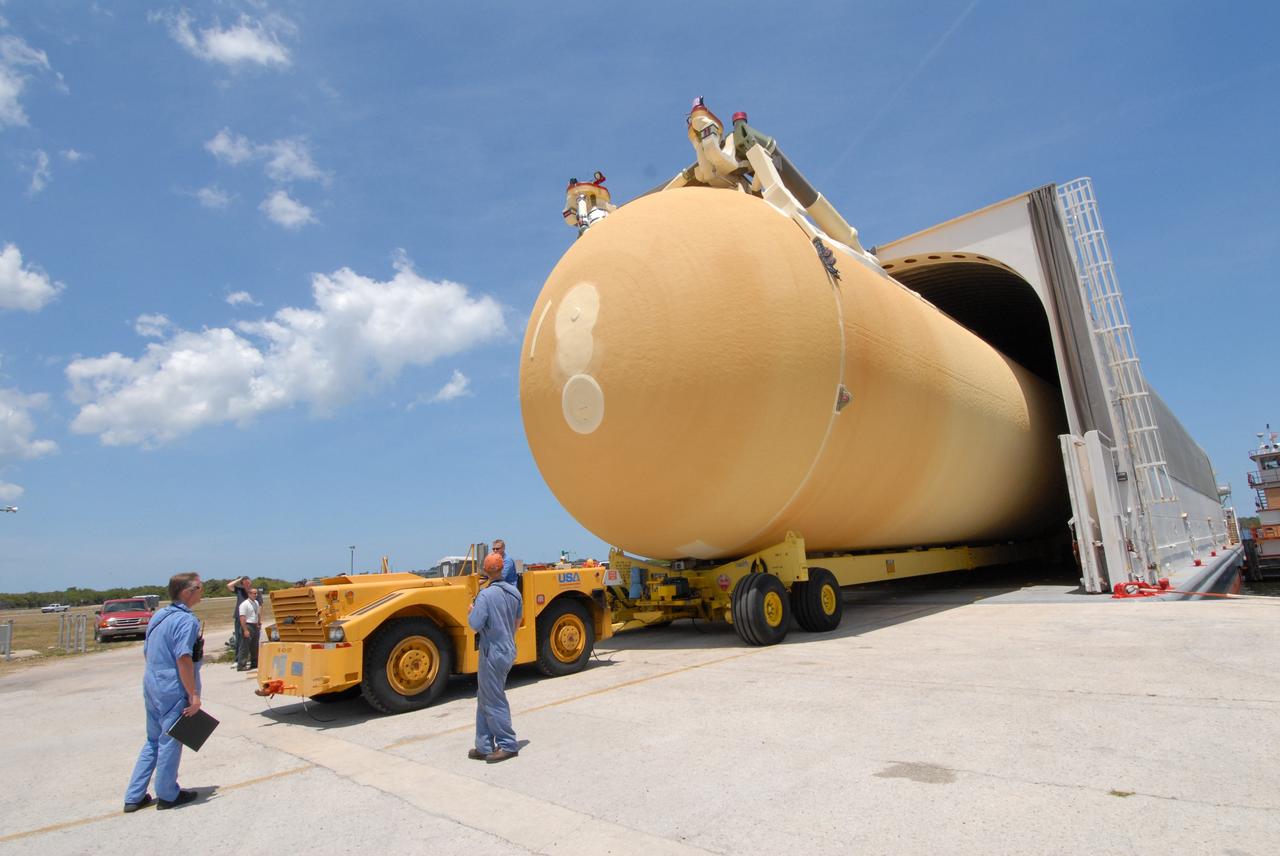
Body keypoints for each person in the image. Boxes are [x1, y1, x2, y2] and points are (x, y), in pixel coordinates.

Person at [123, 572, 205, 812]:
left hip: (152, 681)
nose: (202, 591)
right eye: (199, 587)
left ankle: (134, 795)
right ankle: (168, 794)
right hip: (171, 685)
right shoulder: (186, 621)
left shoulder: (159, 615)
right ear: (187, 592)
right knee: (173, 738)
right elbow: (183, 658)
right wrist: (194, 695)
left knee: (153, 740)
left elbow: (148, 650)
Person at [467, 552, 522, 763]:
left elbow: (475, 624)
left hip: (492, 652)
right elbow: (518, 621)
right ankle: (483, 745)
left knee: (494, 698)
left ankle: (508, 744)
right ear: (502, 568)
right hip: (508, 647)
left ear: (485, 571)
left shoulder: (486, 595)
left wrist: (471, 611)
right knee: (485, 696)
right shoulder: (515, 593)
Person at [228, 575, 251, 664]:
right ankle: (238, 659)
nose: (247, 583)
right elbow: (229, 586)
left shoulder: (253, 592)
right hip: (239, 617)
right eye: (245, 581)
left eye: (248, 581)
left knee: (249, 638)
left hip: (250, 618)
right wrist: (239, 579)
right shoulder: (239, 590)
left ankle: (247, 658)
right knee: (239, 638)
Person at [237, 587, 261, 672]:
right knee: (245, 647)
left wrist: (259, 622)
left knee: (255, 646)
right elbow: (242, 617)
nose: (255, 595)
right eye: (254, 593)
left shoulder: (256, 603)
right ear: (249, 594)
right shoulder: (244, 604)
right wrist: (245, 630)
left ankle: (254, 663)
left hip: (255, 625)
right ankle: (241, 665)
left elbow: (258, 613)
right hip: (248, 625)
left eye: (256, 593)